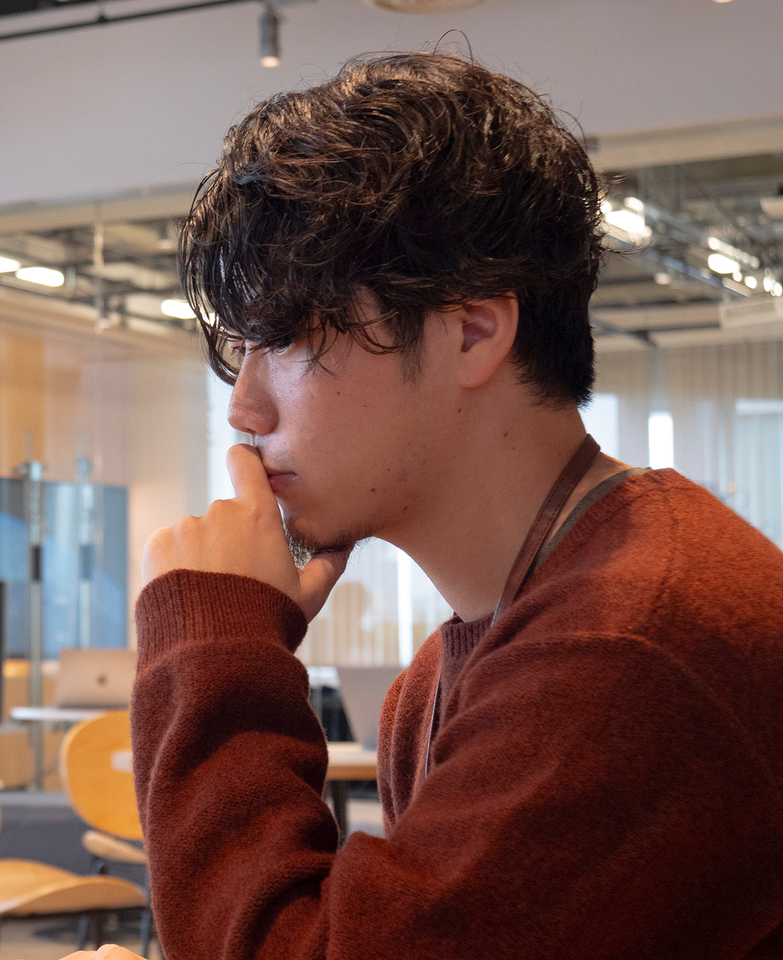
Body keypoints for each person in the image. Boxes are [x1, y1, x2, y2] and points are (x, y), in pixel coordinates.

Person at [68, 53, 783, 959]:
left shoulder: (630, 644)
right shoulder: (457, 671)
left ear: (472, 332)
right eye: (240, 351)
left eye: (286, 339)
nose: (244, 410)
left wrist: (210, 640)